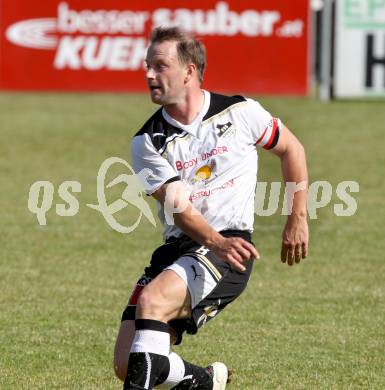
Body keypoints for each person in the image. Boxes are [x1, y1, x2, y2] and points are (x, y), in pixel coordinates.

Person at [113, 26, 309, 390]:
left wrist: (297, 218)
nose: (149, 74)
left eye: (160, 65)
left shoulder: (241, 112)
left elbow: (291, 149)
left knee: (153, 302)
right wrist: (213, 242)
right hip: (183, 247)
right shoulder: (147, 142)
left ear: (189, 71)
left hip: (229, 249)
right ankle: (204, 381)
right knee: (128, 364)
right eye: (147, 66)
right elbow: (180, 207)